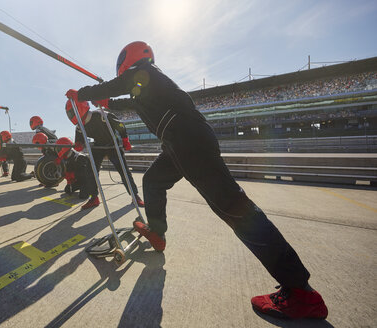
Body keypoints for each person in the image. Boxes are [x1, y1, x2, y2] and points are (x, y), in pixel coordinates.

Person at [65, 41, 328, 320]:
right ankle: (157, 232)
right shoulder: (146, 87)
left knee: (236, 209)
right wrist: (106, 101)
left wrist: (83, 93)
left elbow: (122, 86)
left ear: (128, 62)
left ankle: (301, 292)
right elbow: (130, 99)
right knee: (153, 181)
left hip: (188, 140)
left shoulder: (146, 72)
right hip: (179, 144)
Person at [65, 99, 145, 207]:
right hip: (98, 146)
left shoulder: (102, 115)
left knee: (124, 171)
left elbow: (120, 126)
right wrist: (78, 145)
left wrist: (125, 140)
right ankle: (94, 198)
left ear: (80, 108)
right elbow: (79, 142)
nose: (71, 116)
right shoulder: (79, 127)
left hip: (112, 144)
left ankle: (135, 196)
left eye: (71, 113)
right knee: (91, 172)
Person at [55, 137, 100, 210]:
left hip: (87, 181)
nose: (58, 150)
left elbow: (84, 175)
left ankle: (89, 192)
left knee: (83, 196)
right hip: (79, 180)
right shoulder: (67, 156)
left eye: (59, 148)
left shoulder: (80, 157)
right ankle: (81, 187)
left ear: (64, 147)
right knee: (67, 190)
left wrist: (69, 175)